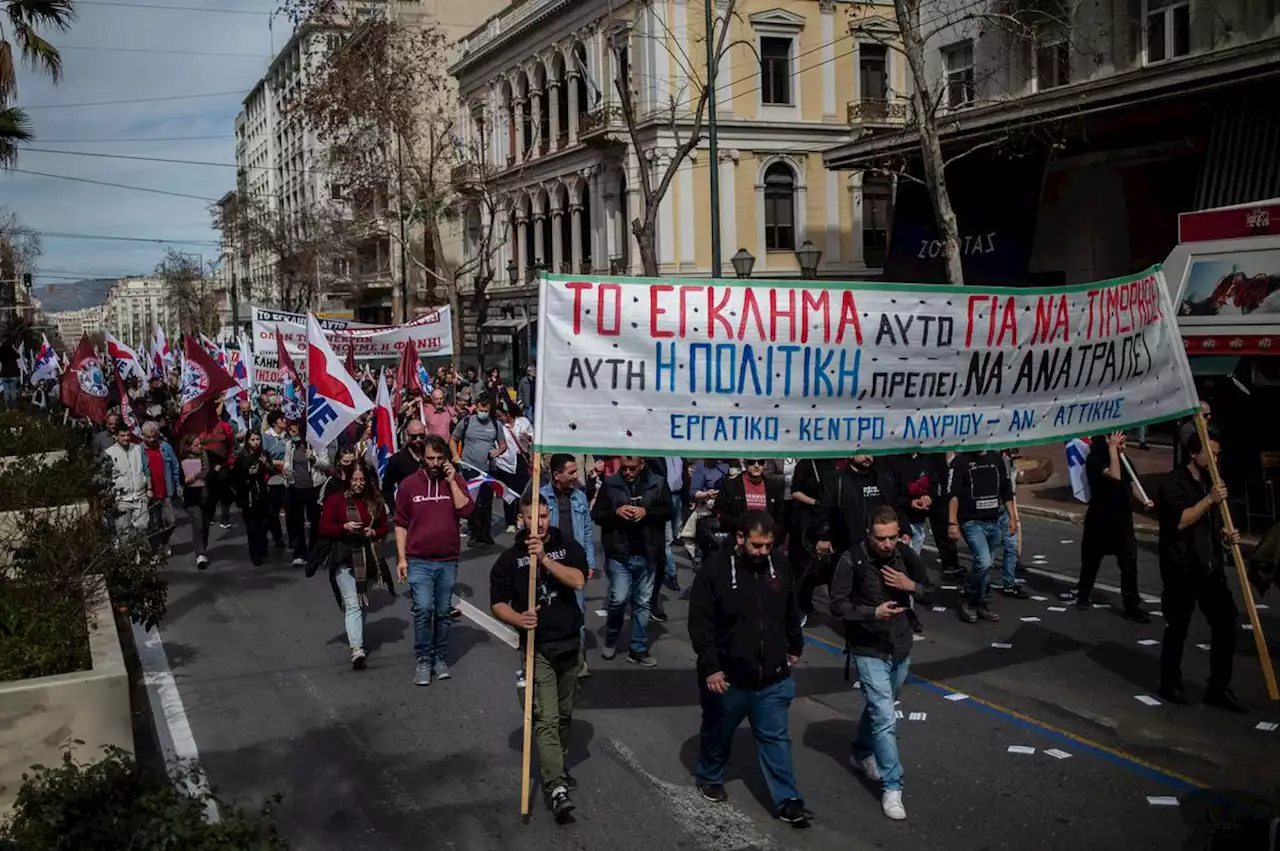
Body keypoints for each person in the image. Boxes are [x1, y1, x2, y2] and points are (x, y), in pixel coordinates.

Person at [688, 511, 810, 827]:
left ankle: (788, 800)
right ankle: (709, 774)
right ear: (741, 538)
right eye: (757, 546)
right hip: (727, 679)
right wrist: (711, 668)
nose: (762, 553)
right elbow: (700, 625)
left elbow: (789, 607)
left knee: (776, 739)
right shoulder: (714, 570)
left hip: (771, 678)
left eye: (768, 546)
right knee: (718, 733)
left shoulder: (779, 565)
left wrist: (794, 645)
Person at [489, 492, 589, 823]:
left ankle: (553, 766)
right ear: (522, 520)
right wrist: (519, 620)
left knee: (563, 715)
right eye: (534, 517)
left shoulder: (565, 545)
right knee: (545, 719)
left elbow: (578, 580)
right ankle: (557, 786)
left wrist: (545, 559)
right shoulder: (508, 560)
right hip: (538, 650)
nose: (541, 522)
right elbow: (498, 603)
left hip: (571, 644)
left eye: (545, 516)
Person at [829, 505, 931, 821]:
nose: (888, 545)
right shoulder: (851, 560)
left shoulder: (905, 556)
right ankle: (893, 786)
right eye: (881, 538)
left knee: (880, 707)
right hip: (868, 648)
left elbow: (932, 592)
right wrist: (871, 613)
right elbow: (837, 605)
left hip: (900, 647)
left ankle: (860, 749)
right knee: (885, 716)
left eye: (892, 537)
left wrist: (910, 586)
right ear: (868, 534)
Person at [1155, 430, 1243, 711]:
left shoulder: (1211, 483)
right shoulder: (1173, 484)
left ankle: (1218, 687)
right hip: (1181, 567)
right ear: (1194, 453)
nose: (1216, 460)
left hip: (1209, 568)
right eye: (1211, 454)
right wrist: (1208, 502)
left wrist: (1226, 536)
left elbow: (1211, 524)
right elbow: (1179, 522)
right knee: (1178, 626)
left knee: (1226, 623)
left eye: (1218, 455)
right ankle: (1170, 682)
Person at [395, 434, 475, 686]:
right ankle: (423, 659)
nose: (435, 463)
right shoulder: (408, 485)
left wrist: (452, 481)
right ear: (423, 458)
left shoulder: (453, 480)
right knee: (423, 609)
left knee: (442, 612)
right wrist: (401, 559)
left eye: (440, 458)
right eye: (431, 458)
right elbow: (400, 524)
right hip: (418, 559)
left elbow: (466, 509)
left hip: (447, 559)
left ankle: (440, 656)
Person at [592, 455, 671, 666]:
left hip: (648, 551)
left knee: (642, 603)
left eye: (632, 469)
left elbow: (668, 511)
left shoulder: (658, 482)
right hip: (619, 552)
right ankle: (612, 635)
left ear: (642, 464)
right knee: (618, 598)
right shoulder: (611, 483)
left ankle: (638, 648)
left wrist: (647, 511)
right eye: (624, 468)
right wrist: (616, 511)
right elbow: (597, 514)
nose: (628, 473)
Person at [318, 465, 393, 670]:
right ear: (348, 481)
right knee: (352, 603)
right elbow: (324, 527)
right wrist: (343, 527)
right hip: (345, 558)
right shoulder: (336, 501)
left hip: (369, 558)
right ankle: (357, 649)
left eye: (362, 480)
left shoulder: (375, 501)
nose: (358, 484)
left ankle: (356, 632)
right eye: (355, 480)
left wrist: (373, 532)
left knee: (363, 602)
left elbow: (384, 527)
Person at [1073, 432, 1153, 621]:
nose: (1122, 445)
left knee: (1129, 563)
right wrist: (1112, 450)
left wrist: (1144, 500)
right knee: (1091, 561)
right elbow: (1115, 476)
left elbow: (1133, 485)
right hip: (1100, 519)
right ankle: (1083, 594)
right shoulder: (1095, 459)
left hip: (1122, 519)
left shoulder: (1124, 460)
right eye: (1119, 441)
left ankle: (1131, 606)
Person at [948, 450, 1019, 623]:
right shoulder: (960, 461)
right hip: (971, 521)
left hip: (993, 520)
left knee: (986, 566)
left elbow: (1006, 489)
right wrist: (952, 523)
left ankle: (980, 603)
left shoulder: (996, 459)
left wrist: (1012, 517)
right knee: (984, 561)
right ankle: (969, 596)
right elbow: (953, 494)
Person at [541, 454, 596, 678]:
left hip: (574, 565)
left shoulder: (580, 497)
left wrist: (589, 562)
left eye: (577, 471)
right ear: (557, 475)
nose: (576, 476)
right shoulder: (541, 497)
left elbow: (588, 533)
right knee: (548, 611)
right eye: (571, 472)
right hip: (548, 562)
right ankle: (546, 661)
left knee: (577, 612)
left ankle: (577, 663)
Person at [451, 394, 507, 547]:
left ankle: (486, 533)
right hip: (470, 469)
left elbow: (503, 445)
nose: (482, 413)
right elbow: (453, 439)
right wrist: (456, 455)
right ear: (476, 407)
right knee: (473, 502)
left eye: (485, 410)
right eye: (480, 410)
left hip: (488, 471)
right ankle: (475, 533)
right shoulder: (467, 422)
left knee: (486, 502)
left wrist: (498, 451)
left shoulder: (496, 425)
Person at [790, 458, 840, 624]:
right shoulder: (804, 465)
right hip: (807, 522)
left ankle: (838, 606)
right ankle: (801, 607)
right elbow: (795, 491)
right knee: (805, 569)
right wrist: (815, 502)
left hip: (827, 521)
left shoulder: (831, 464)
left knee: (831, 568)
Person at [284, 420, 326, 567]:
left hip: (313, 487)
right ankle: (300, 552)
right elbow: (287, 462)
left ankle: (314, 551)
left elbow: (326, 463)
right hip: (296, 487)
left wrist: (314, 459)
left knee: (315, 521)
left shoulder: (318, 445)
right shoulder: (291, 445)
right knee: (297, 521)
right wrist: (287, 470)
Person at [233, 431, 274, 565]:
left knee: (265, 523)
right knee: (252, 527)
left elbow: (272, 470)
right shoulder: (242, 457)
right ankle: (255, 555)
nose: (256, 442)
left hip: (263, 494)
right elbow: (236, 477)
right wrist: (248, 474)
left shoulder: (264, 454)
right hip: (249, 496)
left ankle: (262, 545)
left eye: (258, 439)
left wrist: (266, 464)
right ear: (247, 441)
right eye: (252, 439)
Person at [716, 458, 785, 535]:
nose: (756, 466)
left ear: (765, 464)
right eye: (752, 462)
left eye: (760, 462)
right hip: (739, 536)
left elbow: (780, 516)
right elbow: (719, 513)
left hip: (766, 537)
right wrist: (739, 524)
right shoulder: (730, 486)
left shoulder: (773, 486)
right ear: (745, 464)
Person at [492, 402, 533, 534]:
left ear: (508, 413)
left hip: (521, 460)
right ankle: (510, 521)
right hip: (505, 463)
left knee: (523, 493)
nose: (499, 418)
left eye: (501, 415)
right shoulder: (499, 426)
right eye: (497, 416)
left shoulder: (523, 421)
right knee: (508, 494)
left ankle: (522, 518)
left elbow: (533, 436)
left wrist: (528, 437)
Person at [140, 421, 180, 555]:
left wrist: (178, 485)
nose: (152, 439)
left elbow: (175, 466)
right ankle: (155, 549)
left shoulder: (165, 447)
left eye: (154, 436)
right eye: (148, 437)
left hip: (165, 491)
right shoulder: (139, 450)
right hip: (149, 493)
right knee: (154, 525)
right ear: (142, 436)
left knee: (171, 521)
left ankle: (164, 542)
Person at [104, 423, 150, 535]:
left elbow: (146, 469)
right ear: (116, 436)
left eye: (128, 435)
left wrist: (149, 488)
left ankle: (140, 550)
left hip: (140, 496)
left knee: (143, 526)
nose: (126, 438)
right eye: (122, 435)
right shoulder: (109, 453)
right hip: (122, 499)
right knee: (124, 531)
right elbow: (106, 476)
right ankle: (127, 552)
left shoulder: (138, 449)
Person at [179, 435, 212, 569]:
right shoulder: (183, 459)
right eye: (196, 445)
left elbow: (206, 471)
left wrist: (195, 476)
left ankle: (202, 545)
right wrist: (185, 481)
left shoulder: (204, 456)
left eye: (200, 444)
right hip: (192, 497)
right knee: (198, 523)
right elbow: (180, 477)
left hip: (205, 494)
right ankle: (200, 554)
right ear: (189, 447)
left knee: (205, 524)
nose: (200, 447)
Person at [199, 414, 236, 529]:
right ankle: (210, 515)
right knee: (211, 492)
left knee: (225, 492)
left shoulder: (225, 427)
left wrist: (226, 463)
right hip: (208, 466)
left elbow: (232, 446)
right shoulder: (201, 428)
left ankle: (225, 517)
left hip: (223, 465)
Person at [261, 412, 289, 550]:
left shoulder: (287, 436)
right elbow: (265, 457)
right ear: (274, 423)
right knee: (274, 510)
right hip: (273, 478)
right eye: (281, 419)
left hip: (287, 477)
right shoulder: (266, 437)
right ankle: (275, 536)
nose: (284, 421)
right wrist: (278, 463)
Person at [382, 419, 426, 506]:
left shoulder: (431, 456)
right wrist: (394, 509)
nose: (418, 439)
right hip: (408, 508)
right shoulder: (397, 460)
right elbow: (386, 489)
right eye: (414, 437)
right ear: (407, 436)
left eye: (421, 436)